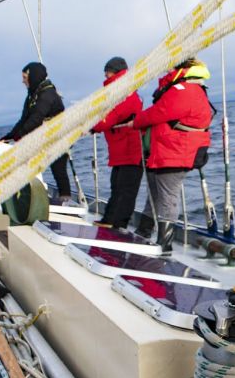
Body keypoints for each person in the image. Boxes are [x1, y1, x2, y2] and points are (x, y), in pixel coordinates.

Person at [132, 58, 213, 252]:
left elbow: (159, 112)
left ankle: (164, 244)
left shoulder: (183, 91)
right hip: (166, 152)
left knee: (167, 196)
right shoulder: (189, 90)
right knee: (156, 193)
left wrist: (136, 121)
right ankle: (144, 231)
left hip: (174, 152)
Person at [0, 62, 71, 203]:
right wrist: (10, 135)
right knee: (29, 165)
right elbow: (24, 119)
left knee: (59, 169)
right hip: (43, 138)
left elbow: (36, 118)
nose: (23, 81)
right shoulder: (32, 96)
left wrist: (19, 136)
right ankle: (25, 195)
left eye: (25, 77)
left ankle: (66, 199)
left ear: (33, 76)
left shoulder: (47, 94)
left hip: (58, 137)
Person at [90, 56, 143, 229]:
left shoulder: (126, 94)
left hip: (131, 149)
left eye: (108, 73)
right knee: (116, 186)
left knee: (126, 190)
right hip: (120, 150)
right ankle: (109, 220)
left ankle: (119, 225)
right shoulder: (117, 94)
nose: (106, 76)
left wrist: (92, 126)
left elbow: (112, 116)